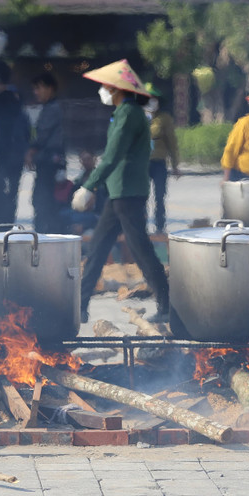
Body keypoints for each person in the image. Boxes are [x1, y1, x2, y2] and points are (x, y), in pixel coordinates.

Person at [72, 59, 170, 324]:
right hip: (119, 192)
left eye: (106, 86)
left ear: (116, 89)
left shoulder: (128, 114)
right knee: (98, 248)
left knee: (140, 250)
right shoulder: (124, 113)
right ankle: (79, 306)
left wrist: (88, 185)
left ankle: (167, 304)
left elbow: (113, 155)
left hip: (127, 192)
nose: (103, 90)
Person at [0, 60, 30, 231]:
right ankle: (7, 235)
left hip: (0, 158)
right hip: (16, 157)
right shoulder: (17, 100)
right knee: (11, 199)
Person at [26, 72, 65, 234]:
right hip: (48, 162)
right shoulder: (49, 108)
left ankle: (43, 237)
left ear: (50, 88)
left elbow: (42, 136)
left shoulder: (53, 109)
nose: (36, 92)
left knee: (43, 202)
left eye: (39, 88)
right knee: (44, 202)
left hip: (50, 163)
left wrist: (30, 152)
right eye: (35, 88)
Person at [145, 88, 179, 234]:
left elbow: (172, 142)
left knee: (159, 196)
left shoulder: (164, 118)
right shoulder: (138, 117)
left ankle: (160, 226)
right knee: (142, 196)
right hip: (142, 163)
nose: (151, 102)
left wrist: (175, 165)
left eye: (154, 99)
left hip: (159, 162)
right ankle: (142, 226)